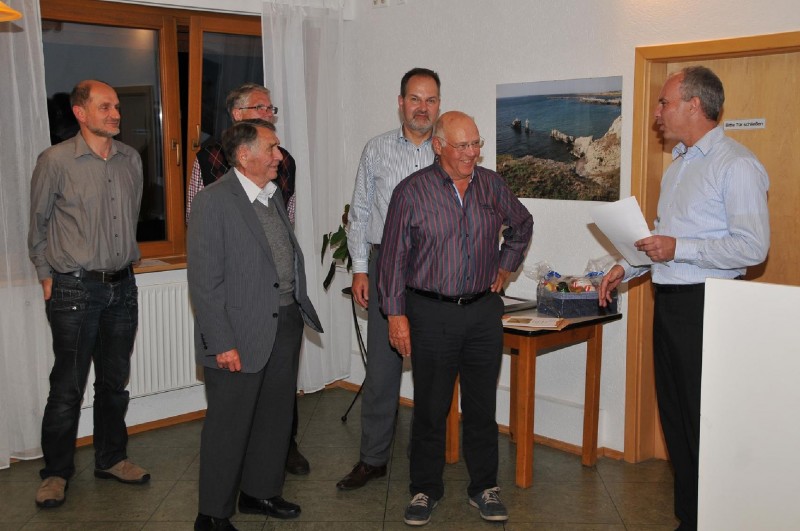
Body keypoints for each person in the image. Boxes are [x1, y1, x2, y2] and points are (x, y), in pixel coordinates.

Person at [599, 66, 770, 531]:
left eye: (664, 103)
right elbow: (664, 243)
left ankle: (716, 519)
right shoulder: (678, 166)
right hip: (671, 303)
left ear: (695, 105)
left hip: (709, 307)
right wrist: (626, 267)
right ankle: (690, 519)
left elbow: (753, 248)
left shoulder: (736, 165)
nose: (657, 113)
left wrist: (679, 247)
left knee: (704, 423)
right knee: (676, 418)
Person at [378, 111, 533, 526]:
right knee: (431, 407)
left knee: (482, 406)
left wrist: (506, 264)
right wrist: (396, 315)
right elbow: (392, 258)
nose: (471, 153)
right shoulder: (411, 192)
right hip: (431, 313)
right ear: (438, 146)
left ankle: (484, 487)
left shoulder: (492, 185)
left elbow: (521, 224)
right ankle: (424, 489)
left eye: (476, 144)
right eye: (462, 145)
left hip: (483, 312)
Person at [188, 119, 322, 531]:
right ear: (244, 155)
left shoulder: (272, 195)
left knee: (274, 417)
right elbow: (205, 283)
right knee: (228, 426)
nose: (279, 156)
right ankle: (212, 514)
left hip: (284, 322)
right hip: (238, 332)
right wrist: (221, 342)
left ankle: (259, 492)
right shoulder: (213, 201)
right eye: (272, 148)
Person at [28, 79, 149, 509]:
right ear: (80, 113)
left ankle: (111, 459)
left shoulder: (130, 159)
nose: (116, 113)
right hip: (74, 289)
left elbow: (131, 217)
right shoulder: (55, 161)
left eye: (116, 106)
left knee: (114, 384)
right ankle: (56, 473)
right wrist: (46, 274)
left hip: (123, 287)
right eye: (105, 107)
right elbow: (38, 225)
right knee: (67, 388)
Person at [337, 67, 442, 491]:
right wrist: (361, 269)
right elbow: (361, 212)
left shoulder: (449, 149)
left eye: (430, 100)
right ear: (401, 103)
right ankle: (373, 459)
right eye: (415, 99)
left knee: (432, 368)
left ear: (439, 105)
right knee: (382, 370)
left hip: (436, 268)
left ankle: (425, 455)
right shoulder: (376, 149)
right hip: (386, 265)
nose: (422, 108)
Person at [186, 83, 297, 226]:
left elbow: (289, 220)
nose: (269, 114)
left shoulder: (284, 160)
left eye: (270, 108)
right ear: (237, 114)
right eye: (259, 107)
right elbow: (195, 218)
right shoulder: (209, 158)